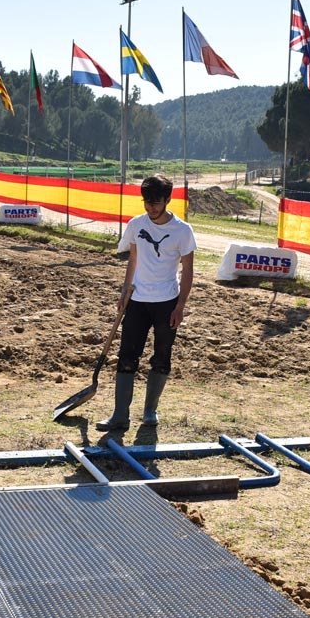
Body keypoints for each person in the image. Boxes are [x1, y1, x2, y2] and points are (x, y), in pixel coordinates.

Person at [97, 174, 196, 431]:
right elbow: (133, 259)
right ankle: (120, 415)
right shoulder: (136, 224)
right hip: (137, 301)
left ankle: (150, 410)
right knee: (127, 356)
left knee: (161, 357)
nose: (151, 207)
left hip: (166, 303)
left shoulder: (182, 231)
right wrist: (124, 291)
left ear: (167, 200)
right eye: (146, 202)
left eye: (155, 202)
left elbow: (188, 271)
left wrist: (180, 306)